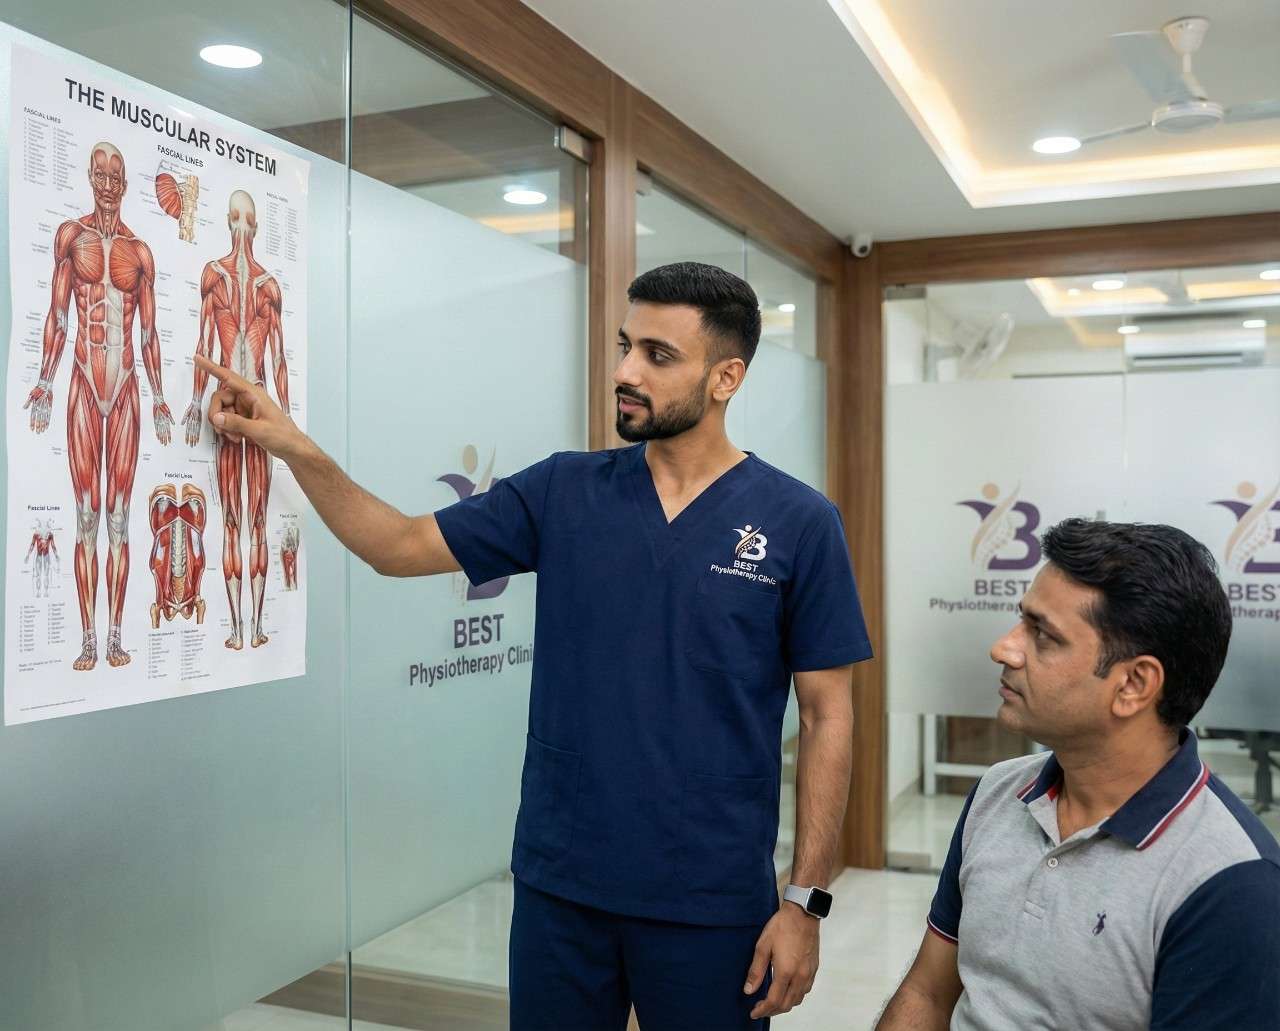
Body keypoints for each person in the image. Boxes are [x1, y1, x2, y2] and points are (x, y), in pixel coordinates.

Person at [196, 262, 872, 1029]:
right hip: (563, 890)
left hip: (710, 901)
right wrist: (294, 446)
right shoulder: (565, 491)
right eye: (626, 345)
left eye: (657, 355)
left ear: (725, 378)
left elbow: (827, 716)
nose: (624, 371)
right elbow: (398, 544)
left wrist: (804, 901)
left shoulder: (798, 522)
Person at [877, 519, 1280, 1031]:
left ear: (1133, 684)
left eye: (1043, 635)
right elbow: (928, 994)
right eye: (1021, 621)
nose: (1004, 648)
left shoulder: (1231, 885)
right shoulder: (999, 792)